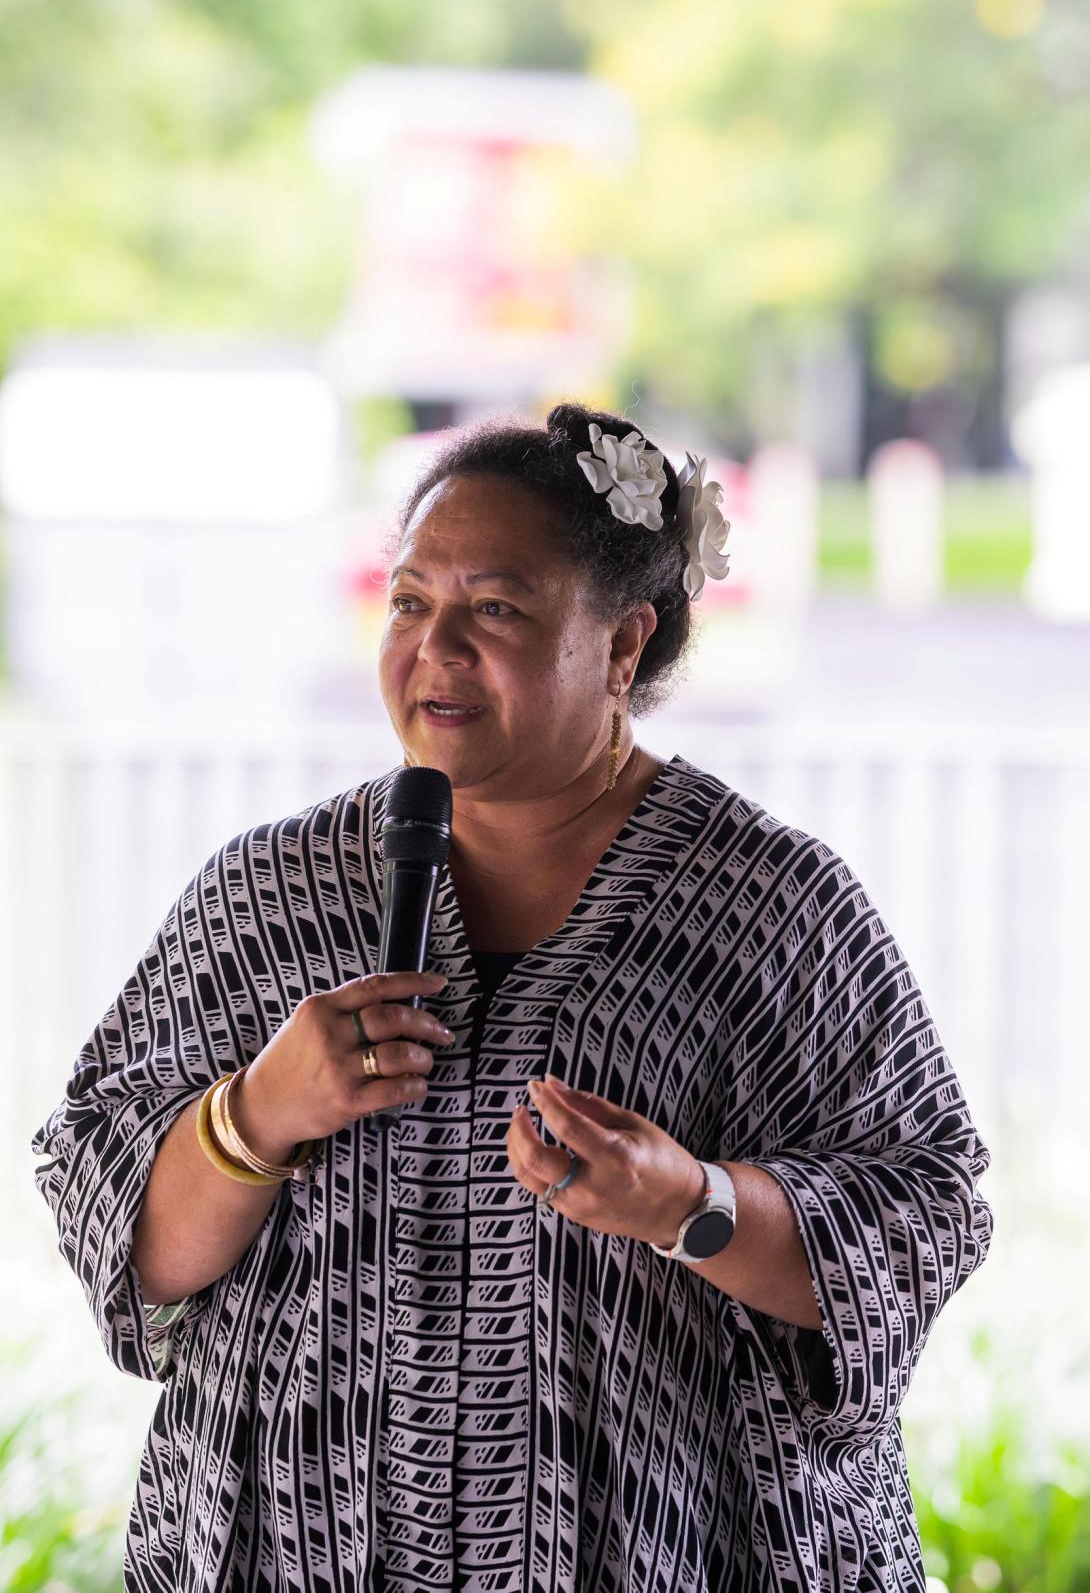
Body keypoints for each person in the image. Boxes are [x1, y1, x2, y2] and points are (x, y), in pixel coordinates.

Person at [31, 403, 993, 1593]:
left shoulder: (768, 905)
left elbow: (921, 1214)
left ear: (624, 646)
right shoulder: (267, 894)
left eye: (494, 609)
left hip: (673, 1549)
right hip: (285, 1550)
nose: (436, 648)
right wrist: (254, 1114)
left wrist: (689, 1205)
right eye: (411, 601)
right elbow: (127, 1244)